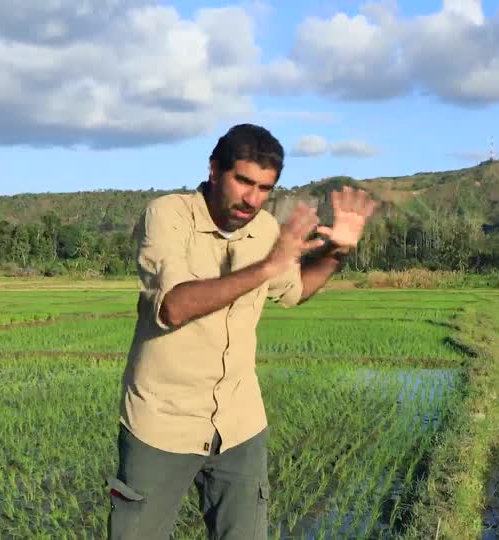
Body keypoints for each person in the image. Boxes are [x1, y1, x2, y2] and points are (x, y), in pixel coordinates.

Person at [106, 123, 377, 539]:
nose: (252, 199)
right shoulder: (169, 215)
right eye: (243, 181)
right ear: (215, 170)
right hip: (162, 423)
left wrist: (338, 251)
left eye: (265, 188)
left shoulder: (267, 230)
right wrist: (268, 266)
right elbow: (174, 306)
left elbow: (296, 289)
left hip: (239, 423)